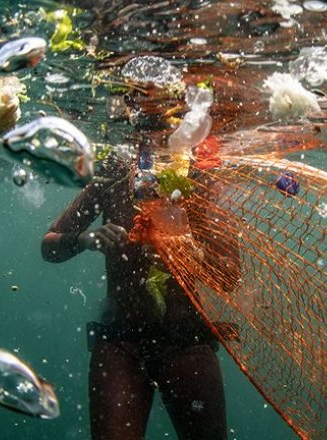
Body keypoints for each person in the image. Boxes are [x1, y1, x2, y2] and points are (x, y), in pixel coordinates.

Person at [41, 149, 228, 440]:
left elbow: (229, 275)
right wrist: (84, 240)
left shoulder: (199, 179)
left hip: (187, 340)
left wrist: (192, 253)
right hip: (121, 341)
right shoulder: (113, 175)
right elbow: (49, 247)